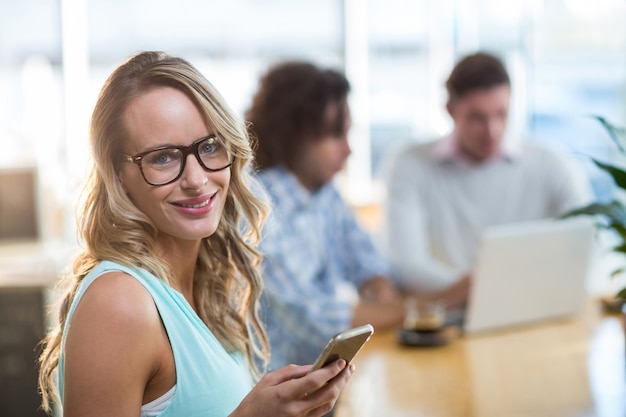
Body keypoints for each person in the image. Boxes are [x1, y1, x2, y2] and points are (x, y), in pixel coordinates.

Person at [37, 51, 354, 417]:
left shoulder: (204, 285)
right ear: (118, 175)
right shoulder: (119, 302)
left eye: (209, 147)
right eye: (163, 157)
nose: (197, 179)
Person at [382, 51, 593, 309]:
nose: (492, 131)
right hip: (448, 319)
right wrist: (493, 289)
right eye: (477, 118)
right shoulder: (410, 164)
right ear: (450, 110)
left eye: (501, 114)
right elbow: (407, 265)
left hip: (534, 312)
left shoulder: (551, 164)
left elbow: (584, 242)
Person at [245, 61, 406, 371]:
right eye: (335, 136)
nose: (348, 150)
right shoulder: (256, 208)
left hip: (324, 381)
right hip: (281, 394)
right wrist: (411, 311)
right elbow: (317, 320)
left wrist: (379, 288)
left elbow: (366, 259)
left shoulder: (323, 192)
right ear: (291, 135)